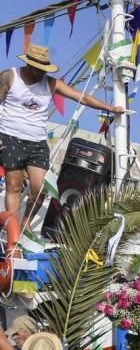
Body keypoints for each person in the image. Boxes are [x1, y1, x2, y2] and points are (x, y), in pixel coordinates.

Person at [0, 43, 124, 229]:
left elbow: (82, 97)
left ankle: (25, 227)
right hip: (10, 136)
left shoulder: (51, 83)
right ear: (29, 64)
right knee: (14, 186)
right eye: (39, 69)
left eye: (45, 69)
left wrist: (109, 108)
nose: (43, 73)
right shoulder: (10, 76)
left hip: (37, 142)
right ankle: (13, 233)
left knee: (40, 189)